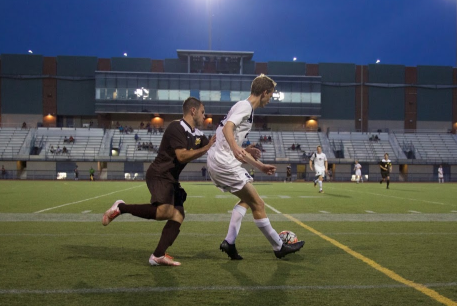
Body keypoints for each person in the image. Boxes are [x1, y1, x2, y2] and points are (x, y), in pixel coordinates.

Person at [101, 97, 216, 266]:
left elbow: (219, 147)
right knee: (164, 212)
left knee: (178, 215)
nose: (204, 116)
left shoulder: (198, 135)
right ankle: (121, 207)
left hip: (171, 178)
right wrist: (206, 148)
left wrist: (243, 151)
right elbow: (181, 155)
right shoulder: (176, 127)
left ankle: (157, 255)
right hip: (159, 174)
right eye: (202, 112)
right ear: (193, 111)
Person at [207, 74, 304, 260]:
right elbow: (228, 129)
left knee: (247, 201)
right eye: (271, 95)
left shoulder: (242, 107)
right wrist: (237, 148)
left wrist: (258, 164)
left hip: (219, 160)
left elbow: (231, 143)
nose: (270, 99)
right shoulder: (245, 106)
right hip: (223, 162)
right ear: (265, 92)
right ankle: (278, 246)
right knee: (258, 204)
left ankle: (229, 242)